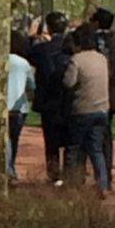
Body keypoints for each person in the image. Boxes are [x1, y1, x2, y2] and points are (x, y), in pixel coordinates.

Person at [63, 25, 111, 189]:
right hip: (102, 109)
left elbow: (68, 83)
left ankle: (71, 183)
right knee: (96, 149)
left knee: (73, 148)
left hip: (83, 109)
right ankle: (102, 184)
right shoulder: (102, 58)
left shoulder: (77, 60)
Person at [90, 6, 115, 181]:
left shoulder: (89, 42)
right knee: (106, 135)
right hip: (111, 95)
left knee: (86, 136)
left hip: (90, 95)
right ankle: (106, 174)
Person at [30, 12, 71, 182]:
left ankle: (54, 176)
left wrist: (33, 35)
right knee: (70, 140)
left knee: (51, 141)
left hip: (48, 101)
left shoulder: (41, 49)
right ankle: (71, 174)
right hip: (68, 100)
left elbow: (27, 52)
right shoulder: (70, 47)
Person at [6, 29, 36, 179]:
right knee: (14, 138)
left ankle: (7, 168)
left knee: (5, 139)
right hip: (19, 107)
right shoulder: (23, 63)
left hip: (3, 104)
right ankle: (10, 167)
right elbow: (31, 85)